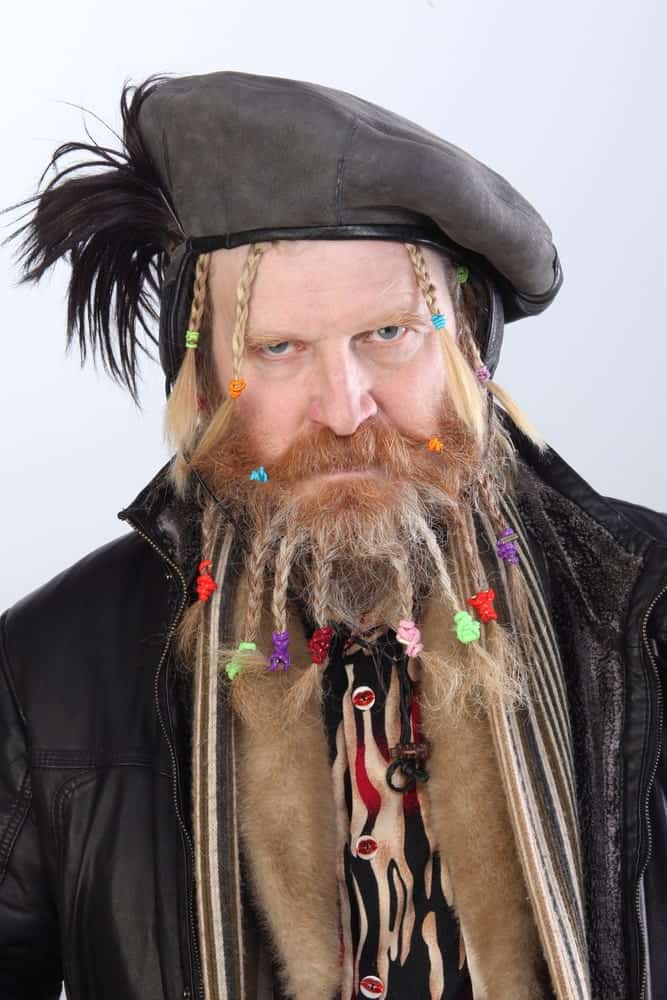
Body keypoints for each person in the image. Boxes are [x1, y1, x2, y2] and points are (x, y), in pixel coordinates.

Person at [0, 70, 665, 1000]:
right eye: (278, 349)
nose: (345, 408)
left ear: (467, 343)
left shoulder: (648, 610)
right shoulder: (51, 666)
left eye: (388, 332)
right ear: (202, 379)